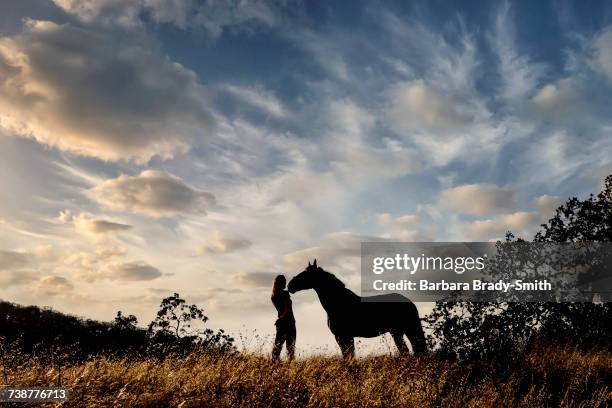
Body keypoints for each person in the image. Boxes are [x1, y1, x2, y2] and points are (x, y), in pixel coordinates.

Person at [271, 274, 296, 360]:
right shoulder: (285, 294)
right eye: (283, 281)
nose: (285, 282)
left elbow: (283, 307)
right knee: (290, 349)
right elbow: (287, 306)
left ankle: (274, 366)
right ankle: (290, 368)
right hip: (289, 322)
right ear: (280, 283)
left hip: (281, 322)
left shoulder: (273, 296)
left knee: (277, 348)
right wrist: (283, 316)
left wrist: (281, 318)